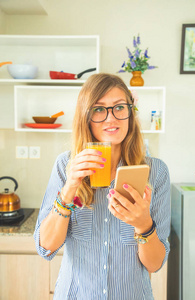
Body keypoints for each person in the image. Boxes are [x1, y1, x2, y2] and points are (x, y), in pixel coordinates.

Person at [34, 73, 170, 300]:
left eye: (119, 107)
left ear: (130, 113)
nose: (111, 118)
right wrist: (69, 189)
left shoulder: (156, 172)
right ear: (85, 117)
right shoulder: (65, 165)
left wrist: (143, 224)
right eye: (98, 109)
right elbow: (45, 248)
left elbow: (155, 264)